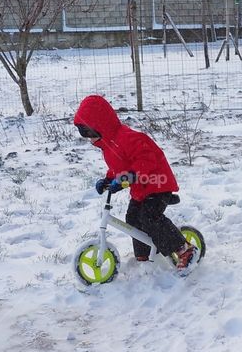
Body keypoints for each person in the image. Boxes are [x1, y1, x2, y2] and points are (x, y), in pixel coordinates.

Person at [73, 95, 196, 269]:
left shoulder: (128, 138)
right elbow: (119, 167)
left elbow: (145, 163)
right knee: (132, 218)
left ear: (102, 125)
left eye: (90, 133)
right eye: (85, 134)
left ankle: (184, 249)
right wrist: (108, 180)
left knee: (149, 217)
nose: (89, 138)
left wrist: (124, 179)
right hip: (141, 189)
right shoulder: (109, 146)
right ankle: (143, 255)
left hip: (158, 184)